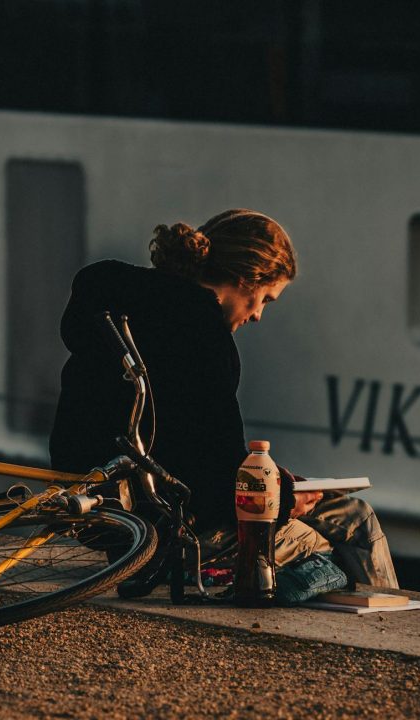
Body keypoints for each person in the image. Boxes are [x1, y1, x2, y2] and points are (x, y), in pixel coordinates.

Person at [49, 209, 398, 589]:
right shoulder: (206, 340)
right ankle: (390, 636)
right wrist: (281, 499)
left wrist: (274, 481)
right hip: (172, 531)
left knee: (329, 511)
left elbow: (181, 446)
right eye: (265, 298)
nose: (259, 315)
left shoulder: (117, 307)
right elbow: (214, 482)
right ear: (245, 278)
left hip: (103, 515)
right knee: (353, 520)